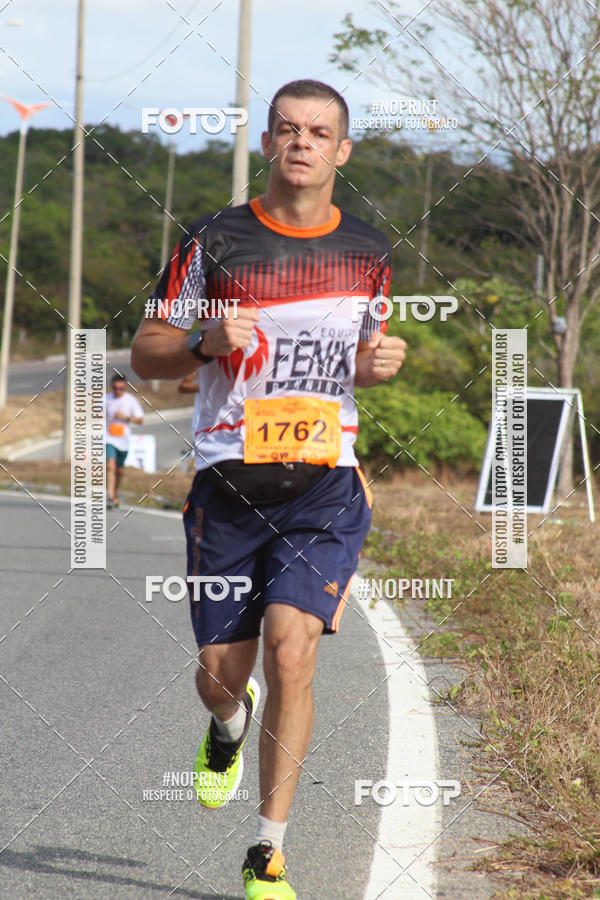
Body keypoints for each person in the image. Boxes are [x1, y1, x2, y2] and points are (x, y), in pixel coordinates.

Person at [131, 79, 406, 900]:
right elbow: (148, 352)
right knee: (222, 671)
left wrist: (374, 368)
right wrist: (205, 342)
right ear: (267, 144)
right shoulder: (214, 239)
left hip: (323, 485)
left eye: (320, 132)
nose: (303, 142)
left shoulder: (368, 251)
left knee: (295, 648)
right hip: (227, 486)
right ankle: (225, 722)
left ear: (342, 150)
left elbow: (353, 362)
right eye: (287, 128)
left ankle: (269, 851)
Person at [104, 374, 144, 508]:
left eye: (121, 388)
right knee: (110, 466)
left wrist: (126, 418)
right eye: (115, 388)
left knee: (119, 471)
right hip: (108, 438)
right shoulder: (105, 400)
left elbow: (140, 420)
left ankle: (114, 494)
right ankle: (109, 497)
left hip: (123, 440)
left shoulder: (130, 400)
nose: (117, 391)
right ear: (111, 387)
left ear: (125, 387)